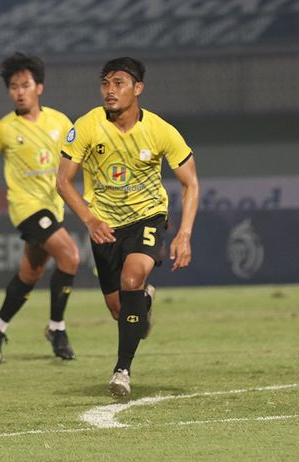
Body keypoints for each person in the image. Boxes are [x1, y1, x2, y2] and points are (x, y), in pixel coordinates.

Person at [57, 57, 200, 396]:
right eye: (105, 83)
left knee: (132, 278)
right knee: (120, 310)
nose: (110, 90)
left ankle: (122, 371)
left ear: (138, 88)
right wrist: (90, 219)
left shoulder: (160, 130)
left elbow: (191, 183)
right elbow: (63, 181)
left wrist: (184, 233)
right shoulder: (88, 125)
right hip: (104, 224)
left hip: (148, 218)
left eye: (118, 83)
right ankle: (143, 304)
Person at [0, 52, 80, 364]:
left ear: (39, 87)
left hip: (54, 207)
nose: (20, 92)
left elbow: (77, 158)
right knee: (70, 256)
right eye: (14, 87)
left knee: (31, 273)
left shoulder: (60, 122)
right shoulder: (3, 128)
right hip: (26, 207)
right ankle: (57, 328)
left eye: (25, 85)